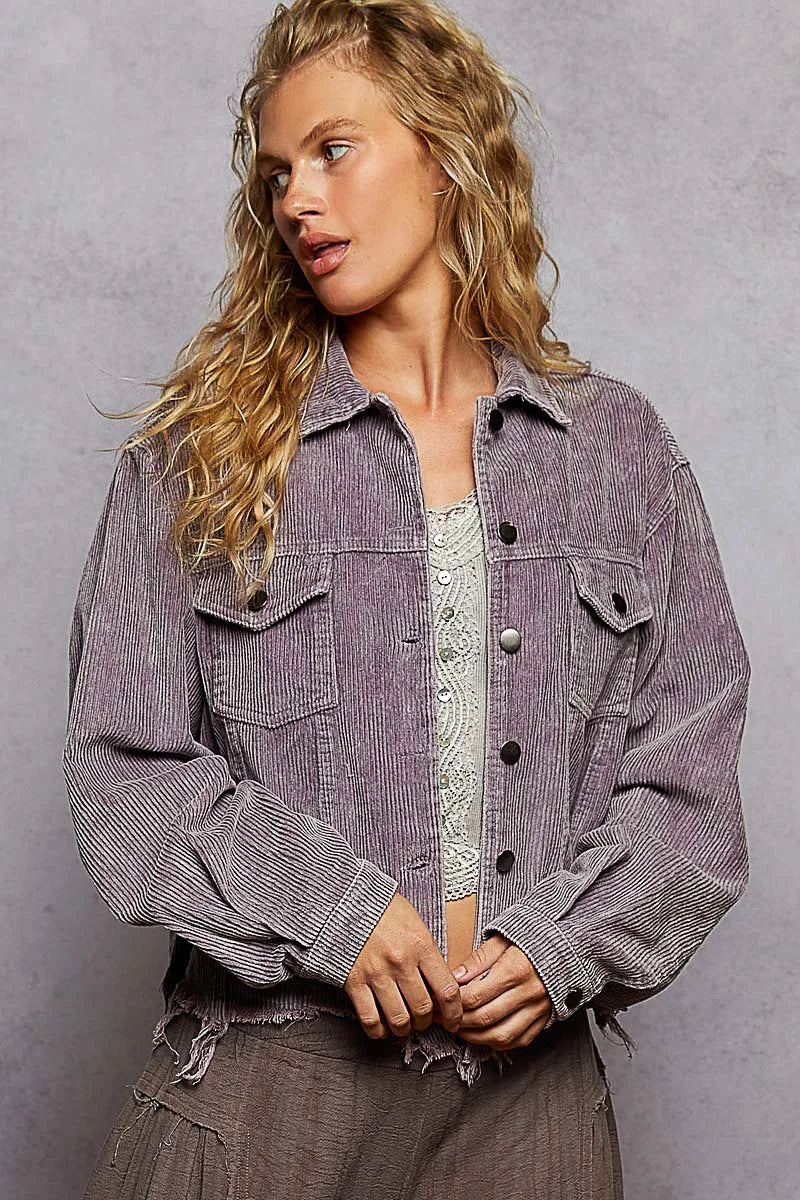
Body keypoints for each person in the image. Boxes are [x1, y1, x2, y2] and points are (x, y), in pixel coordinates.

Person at [62, 1, 752, 1196]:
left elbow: (688, 788)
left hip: (530, 1106)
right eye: (277, 174)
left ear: (442, 155)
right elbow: (121, 768)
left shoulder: (616, 454)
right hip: (273, 1084)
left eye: (333, 150)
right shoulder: (198, 458)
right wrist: (330, 907)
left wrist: (559, 945)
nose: (296, 200)